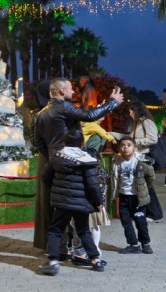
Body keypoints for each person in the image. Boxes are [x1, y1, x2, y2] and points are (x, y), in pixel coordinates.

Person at [32, 77, 123, 251]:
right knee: (76, 205)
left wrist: (52, 157)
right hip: (71, 161)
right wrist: (112, 103)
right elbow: (89, 116)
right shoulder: (63, 106)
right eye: (70, 89)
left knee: (58, 208)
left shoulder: (40, 114)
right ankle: (84, 250)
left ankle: (57, 252)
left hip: (52, 163)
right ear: (60, 91)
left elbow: (37, 142)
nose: (74, 92)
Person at [38, 127, 105, 275]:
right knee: (84, 231)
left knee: (55, 230)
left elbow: (45, 177)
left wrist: (56, 188)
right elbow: (93, 185)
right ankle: (96, 260)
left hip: (62, 202)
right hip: (82, 203)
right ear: (82, 143)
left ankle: (54, 262)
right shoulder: (87, 160)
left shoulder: (57, 158)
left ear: (64, 142)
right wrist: (98, 202)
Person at [111, 101, 162, 220]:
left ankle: (155, 214)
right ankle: (149, 213)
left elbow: (152, 139)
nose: (130, 114)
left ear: (136, 111)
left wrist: (134, 143)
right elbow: (128, 138)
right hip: (138, 157)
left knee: (145, 186)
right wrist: (111, 134)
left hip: (144, 157)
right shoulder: (136, 123)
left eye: (131, 111)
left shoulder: (146, 122)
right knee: (141, 186)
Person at [110, 136, 155, 255]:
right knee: (126, 222)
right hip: (124, 197)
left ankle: (145, 243)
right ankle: (133, 244)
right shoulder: (116, 161)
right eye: (123, 145)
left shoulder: (141, 161)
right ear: (119, 148)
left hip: (137, 198)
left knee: (140, 222)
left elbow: (150, 176)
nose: (125, 147)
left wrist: (144, 188)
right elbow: (115, 179)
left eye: (128, 145)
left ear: (135, 148)